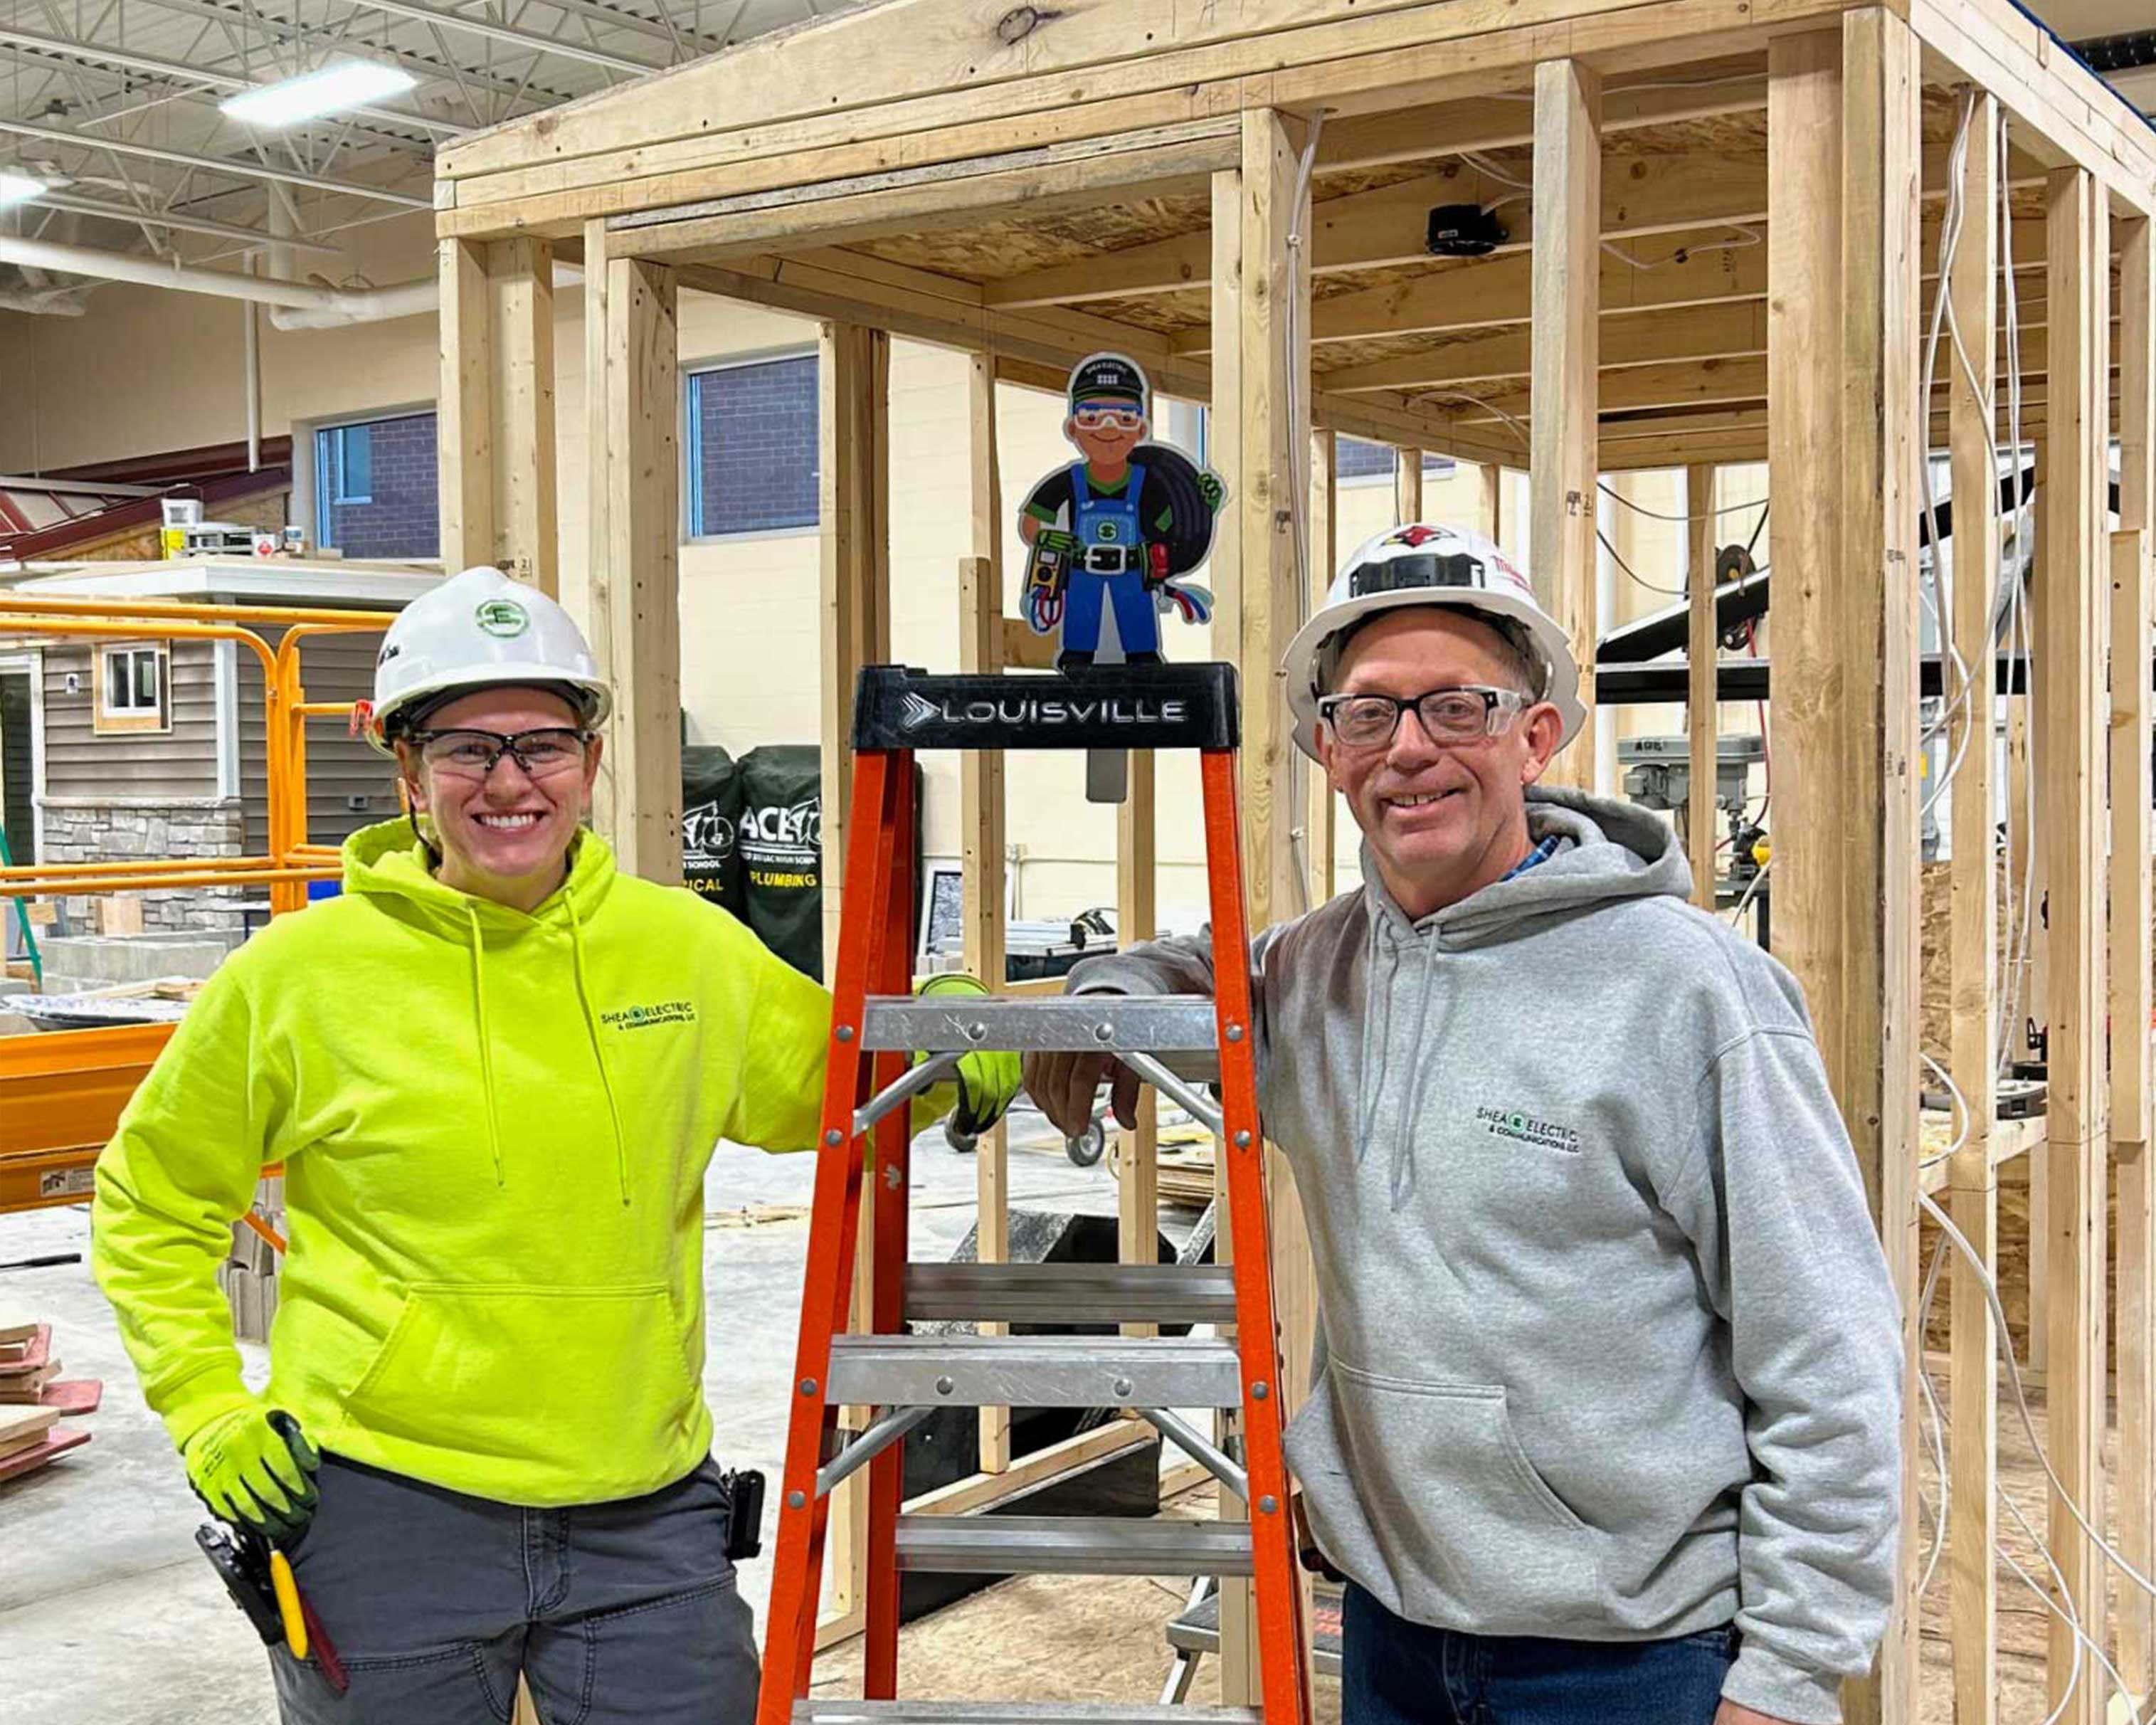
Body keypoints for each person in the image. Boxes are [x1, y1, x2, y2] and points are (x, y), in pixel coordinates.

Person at [92, 565, 1018, 1724]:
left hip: (643, 1510)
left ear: (589, 756)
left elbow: (825, 1089)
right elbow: (150, 1198)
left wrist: (940, 1028)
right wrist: (208, 1402)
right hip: (384, 1505)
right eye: (466, 748)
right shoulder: (293, 980)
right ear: (405, 768)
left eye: (543, 742)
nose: (510, 781)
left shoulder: (685, 950)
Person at [1026, 523, 1903, 1725]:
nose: (1411, 752)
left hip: (1633, 1655)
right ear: (1327, 747)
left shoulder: (1690, 990)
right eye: (1370, 715)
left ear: (1535, 733)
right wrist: (1110, 995)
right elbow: (1193, 971)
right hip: (1393, 1631)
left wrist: (1791, 1674)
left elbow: (1829, 1350)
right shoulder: (1314, 969)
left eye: (1457, 709)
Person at [1018, 352, 1222, 666]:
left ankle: (1143, 680)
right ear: (1074, 428)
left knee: (1141, 648)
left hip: (1132, 573)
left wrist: (1201, 505)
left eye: (1124, 418)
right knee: (1078, 646)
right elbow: (1031, 522)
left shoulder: (1150, 483)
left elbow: (1175, 527)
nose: (1108, 428)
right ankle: (1078, 673)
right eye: (1092, 417)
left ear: (1140, 430)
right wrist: (1048, 540)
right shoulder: (1069, 482)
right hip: (1080, 570)